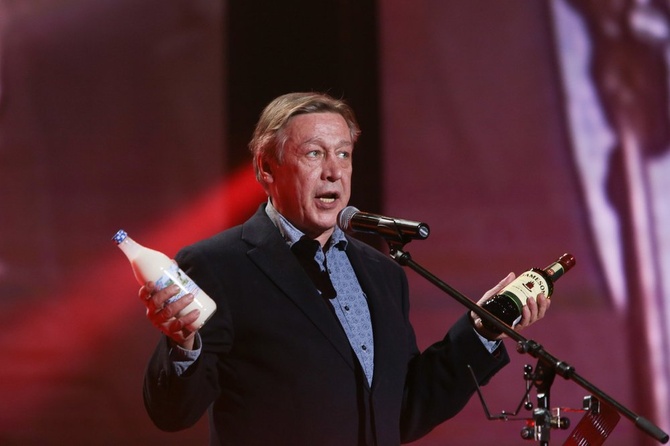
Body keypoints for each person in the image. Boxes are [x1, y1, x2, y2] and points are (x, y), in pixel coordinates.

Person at [139, 92, 550, 446]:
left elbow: (403, 409)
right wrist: (184, 345)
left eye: (343, 154)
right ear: (265, 168)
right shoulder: (218, 265)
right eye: (313, 153)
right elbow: (173, 413)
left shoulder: (382, 272)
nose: (333, 171)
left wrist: (481, 331)